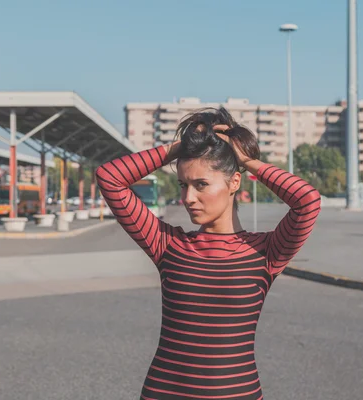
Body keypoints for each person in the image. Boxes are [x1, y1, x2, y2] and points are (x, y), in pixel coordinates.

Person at [96, 107, 321, 399]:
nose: (188, 198)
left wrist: (247, 161)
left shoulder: (266, 252)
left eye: (201, 184)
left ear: (234, 183)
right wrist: (183, 146)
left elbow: (308, 202)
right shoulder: (168, 245)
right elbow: (109, 178)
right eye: (184, 185)